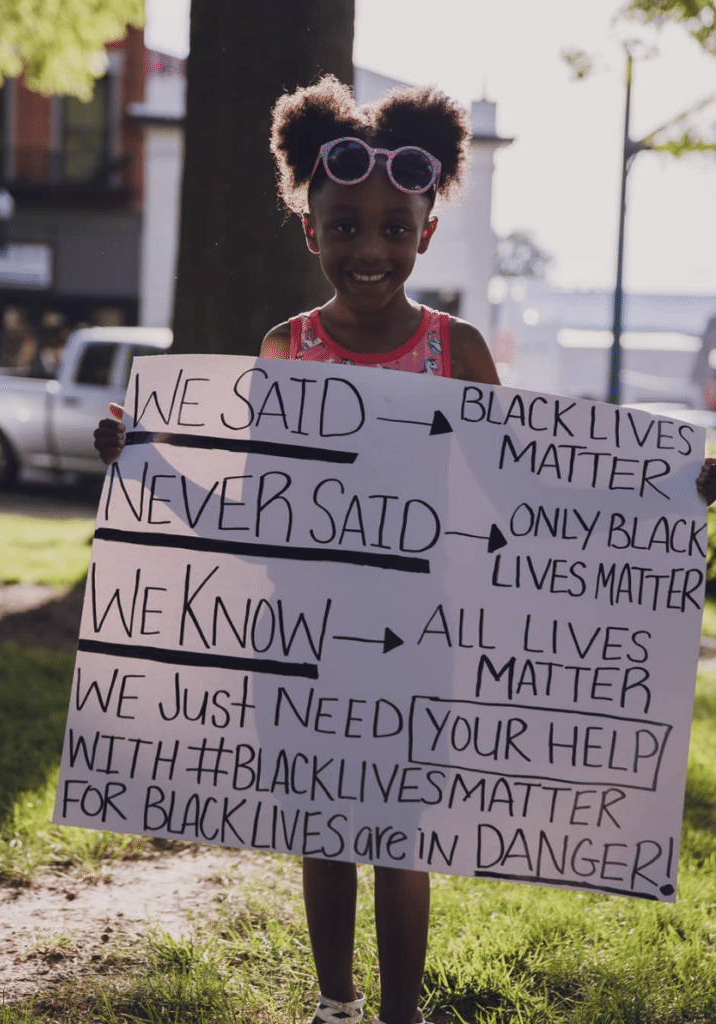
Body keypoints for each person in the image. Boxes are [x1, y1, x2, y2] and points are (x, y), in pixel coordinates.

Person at [94, 76, 716, 1024]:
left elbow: (522, 488)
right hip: (298, 638)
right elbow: (256, 508)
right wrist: (145, 463)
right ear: (311, 230)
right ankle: (335, 1005)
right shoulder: (285, 350)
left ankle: (399, 1015)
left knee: (401, 834)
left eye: (394, 227)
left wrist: (669, 494)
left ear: (427, 232)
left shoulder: (454, 350)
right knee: (323, 829)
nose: (369, 248)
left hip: (417, 640)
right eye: (346, 226)